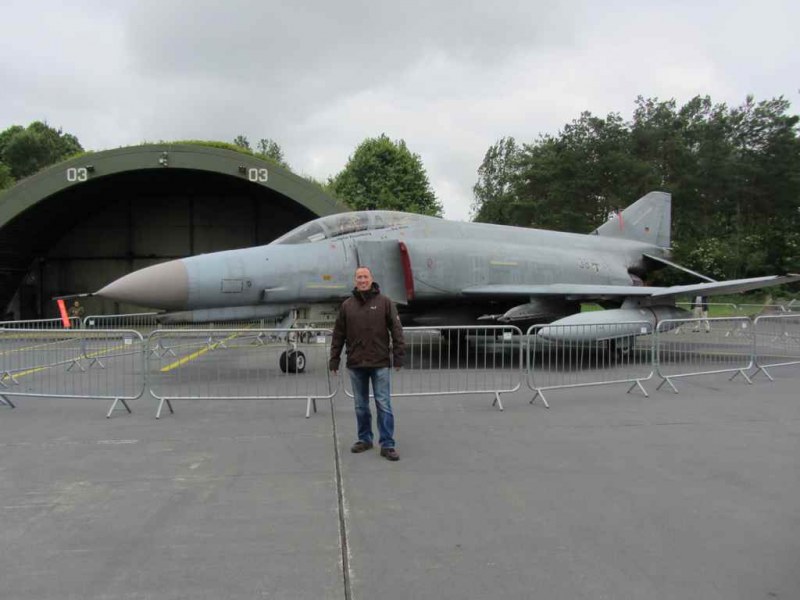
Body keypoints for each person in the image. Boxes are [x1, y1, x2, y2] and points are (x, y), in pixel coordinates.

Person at [329, 266, 405, 461]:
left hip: (379, 363)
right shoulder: (347, 306)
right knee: (360, 406)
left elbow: (396, 330)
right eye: (359, 277)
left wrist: (398, 356)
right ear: (355, 281)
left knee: (383, 404)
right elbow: (338, 335)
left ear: (371, 279)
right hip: (356, 364)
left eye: (365, 277)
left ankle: (387, 444)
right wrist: (334, 359)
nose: (362, 280)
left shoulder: (385, 303)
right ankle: (365, 439)